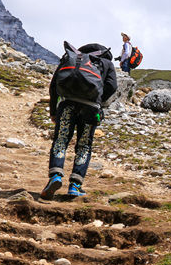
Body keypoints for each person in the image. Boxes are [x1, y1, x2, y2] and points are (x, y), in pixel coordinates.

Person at [41, 43, 117, 199]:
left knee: (61, 140)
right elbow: (112, 86)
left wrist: (54, 111)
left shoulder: (72, 58)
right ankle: (75, 185)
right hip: (90, 108)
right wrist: (98, 100)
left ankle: (55, 176)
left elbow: (54, 85)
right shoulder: (106, 62)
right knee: (84, 145)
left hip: (67, 104)